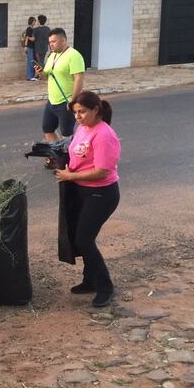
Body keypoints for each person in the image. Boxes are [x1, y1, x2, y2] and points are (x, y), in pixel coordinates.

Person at [55, 91, 120, 308]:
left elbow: (101, 171)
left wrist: (70, 176)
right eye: (75, 113)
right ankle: (89, 281)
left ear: (95, 110)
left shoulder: (104, 135)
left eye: (82, 112)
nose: (78, 117)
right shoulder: (83, 128)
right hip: (82, 191)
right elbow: (77, 153)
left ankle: (105, 287)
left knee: (84, 239)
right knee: (81, 237)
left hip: (101, 194)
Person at [37, 28, 85, 144]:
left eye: (54, 42)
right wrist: (41, 72)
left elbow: (79, 79)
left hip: (66, 102)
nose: (51, 45)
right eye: (49, 42)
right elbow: (47, 77)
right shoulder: (52, 56)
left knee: (67, 135)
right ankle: (59, 155)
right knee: (47, 128)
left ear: (63, 41)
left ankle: (71, 159)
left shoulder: (74, 55)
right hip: (52, 101)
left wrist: (73, 101)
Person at [24, 16, 37, 81]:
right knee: (30, 61)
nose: (35, 22)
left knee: (33, 61)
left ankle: (32, 75)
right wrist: (25, 46)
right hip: (30, 47)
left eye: (35, 21)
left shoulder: (33, 29)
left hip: (33, 47)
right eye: (34, 21)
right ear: (31, 21)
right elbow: (27, 37)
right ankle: (29, 76)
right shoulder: (29, 29)